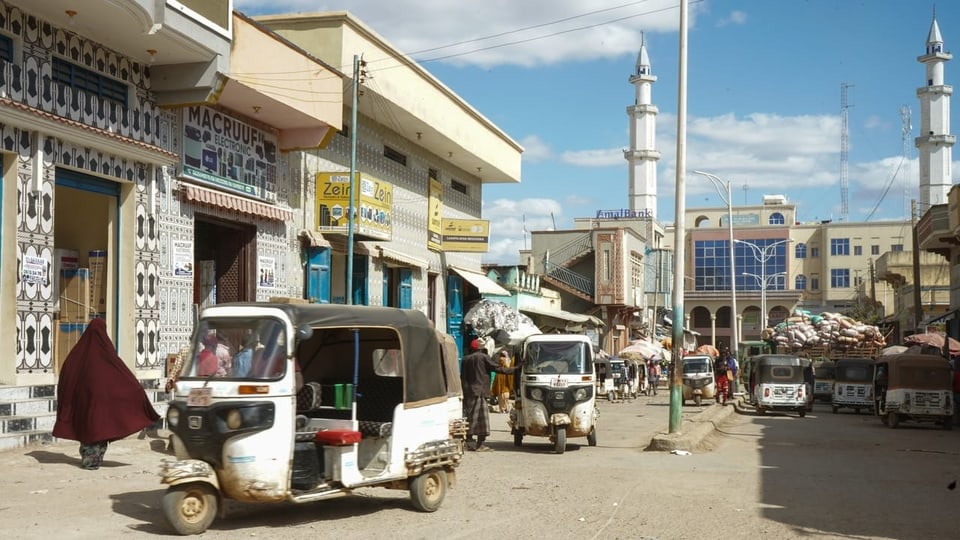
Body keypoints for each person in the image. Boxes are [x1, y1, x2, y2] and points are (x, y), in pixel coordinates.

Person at [52, 318, 160, 470]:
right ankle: (94, 459)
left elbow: (66, 376)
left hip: (84, 403)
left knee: (88, 430)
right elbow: (123, 375)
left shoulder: (76, 355)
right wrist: (137, 391)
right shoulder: (106, 354)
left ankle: (88, 457)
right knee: (100, 430)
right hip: (101, 405)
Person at [461, 338, 520, 451]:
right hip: (480, 392)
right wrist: (516, 368)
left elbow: (463, 377)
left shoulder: (465, 359)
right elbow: (499, 369)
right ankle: (479, 444)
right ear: (481, 348)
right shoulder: (483, 357)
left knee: (470, 417)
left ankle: (469, 441)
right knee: (481, 419)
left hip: (468, 392)